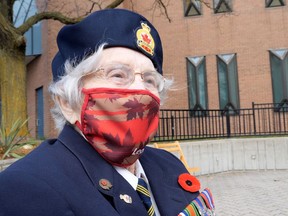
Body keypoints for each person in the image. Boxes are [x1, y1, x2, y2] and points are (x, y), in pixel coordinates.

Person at [0, 9, 215, 216]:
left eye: (149, 79)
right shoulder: (26, 188)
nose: (139, 90)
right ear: (67, 102)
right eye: (118, 75)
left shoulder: (168, 164)